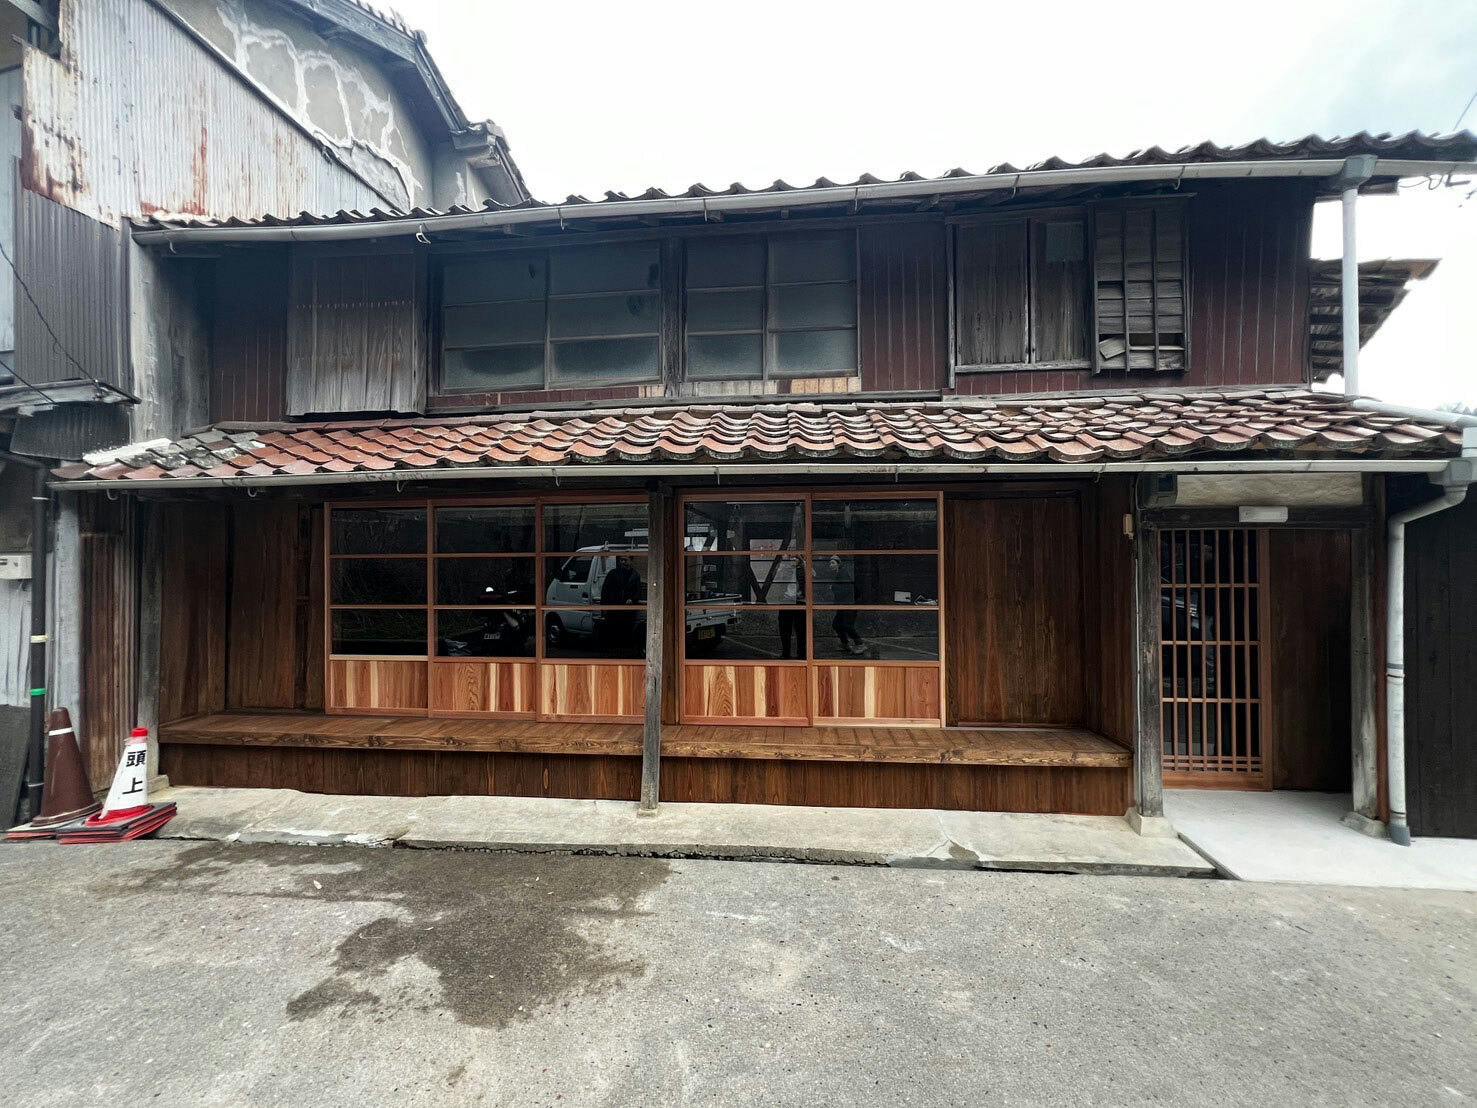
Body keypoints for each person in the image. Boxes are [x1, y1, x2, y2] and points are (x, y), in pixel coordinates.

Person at [598, 555, 644, 651]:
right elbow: (605, 590)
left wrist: (632, 599)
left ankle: (624, 648)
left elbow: (638, 591)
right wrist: (604, 607)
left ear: (631, 561)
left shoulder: (635, 575)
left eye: (625, 560)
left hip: (628, 609)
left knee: (626, 630)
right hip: (614, 607)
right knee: (613, 629)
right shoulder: (613, 573)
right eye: (621, 560)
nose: (623, 562)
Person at [826, 554, 868, 656]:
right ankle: (844, 643)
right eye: (830, 563)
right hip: (843, 604)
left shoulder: (843, 574)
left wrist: (833, 588)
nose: (830, 565)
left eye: (833, 563)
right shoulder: (839, 574)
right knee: (836, 624)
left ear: (838, 564)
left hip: (848, 604)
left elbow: (846, 589)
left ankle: (860, 644)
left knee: (847, 625)